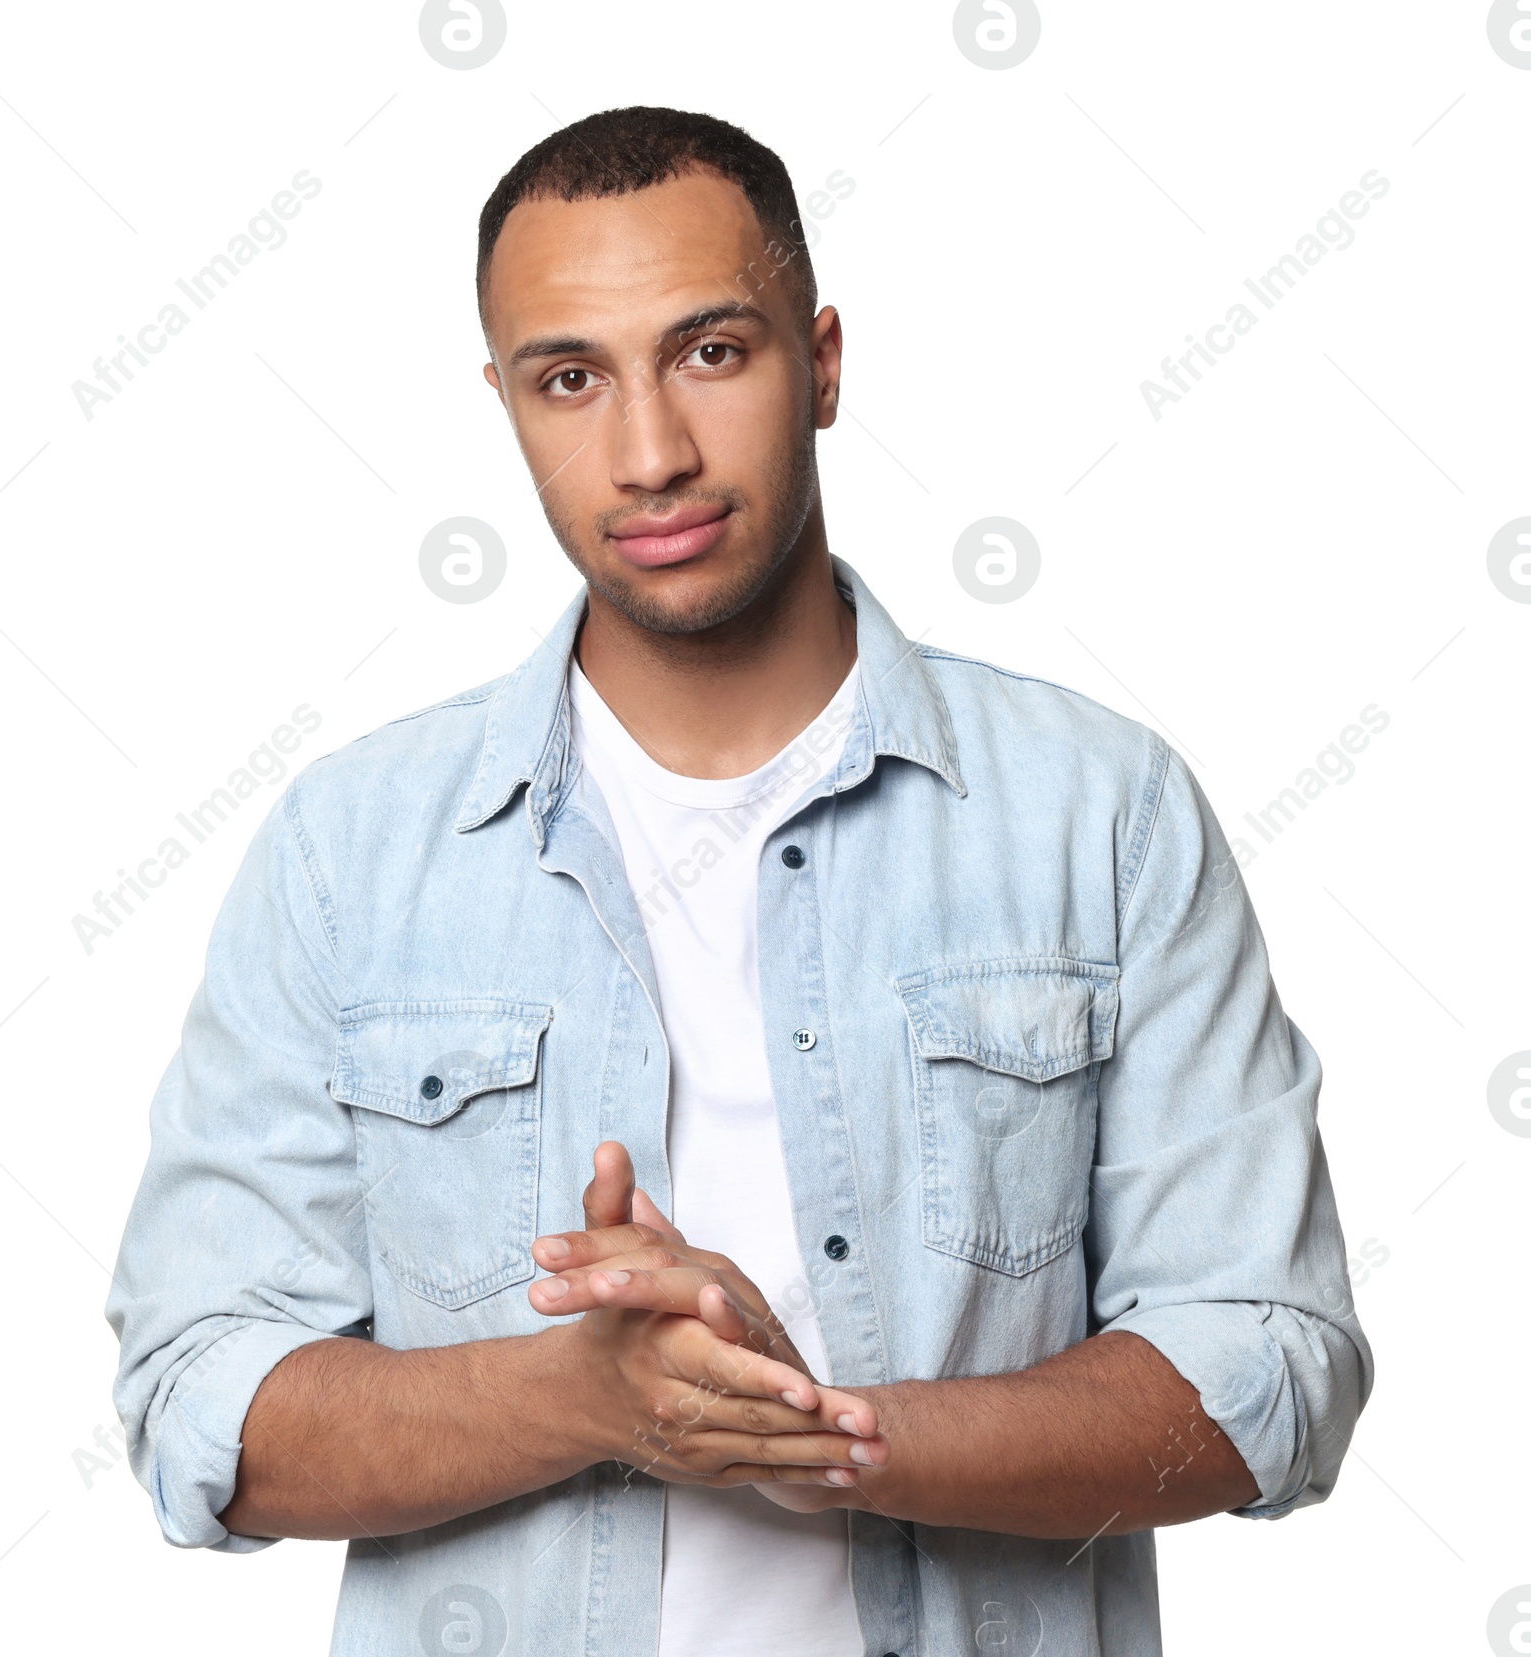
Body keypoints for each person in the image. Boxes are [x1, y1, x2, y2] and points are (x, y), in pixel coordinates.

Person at [109, 106, 1373, 1657]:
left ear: (823, 360)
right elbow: (199, 1406)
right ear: (506, 402)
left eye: (712, 351)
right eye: (572, 377)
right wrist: (581, 1399)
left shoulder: (1100, 816)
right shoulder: (348, 850)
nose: (650, 454)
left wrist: (829, 1437)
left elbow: (1270, 1379)